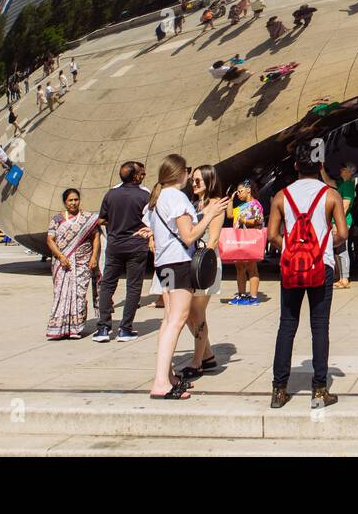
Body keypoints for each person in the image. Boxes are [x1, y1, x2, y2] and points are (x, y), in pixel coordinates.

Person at [266, 149, 348, 409]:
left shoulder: (281, 196)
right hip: (320, 267)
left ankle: (279, 390)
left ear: (295, 165)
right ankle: (320, 390)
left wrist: (290, 249)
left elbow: (271, 236)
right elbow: (342, 234)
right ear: (320, 164)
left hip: (291, 267)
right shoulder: (330, 195)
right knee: (319, 326)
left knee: (287, 325)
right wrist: (321, 247)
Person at [142, 153, 227, 400]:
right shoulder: (177, 197)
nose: (190, 176)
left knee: (168, 319)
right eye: (188, 171)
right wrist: (209, 215)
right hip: (179, 263)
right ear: (180, 173)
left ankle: (166, 376)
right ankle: (161, 383)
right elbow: (189, 236)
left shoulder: (158, 198)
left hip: (163, 264)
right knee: (177, 321)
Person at [93, 161, 151, 342]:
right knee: (133, 287)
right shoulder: (145, 195)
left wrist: (116, 224)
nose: (144, 174)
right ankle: (125, 329)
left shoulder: (111, 194)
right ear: (135, 176)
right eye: (141, 172)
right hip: (136, 246)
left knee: (108, 285)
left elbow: (101, 220)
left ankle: (103, 328)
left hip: (115, 245)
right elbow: (151, 221)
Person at [180, 164, 226, 381]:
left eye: (199, 180)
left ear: (210, 181)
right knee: (188, 312)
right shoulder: (195, 202)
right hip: (193, 261)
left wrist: (200, 262)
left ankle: (197, 361)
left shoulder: (216, 204)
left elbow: (213, 239)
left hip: (205, 264)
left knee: (197, 314)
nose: (194, 183)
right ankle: (207, 355)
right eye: (193, 180)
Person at [45, 188, 101, 340]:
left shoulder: (87, 218)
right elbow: (50, 240)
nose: (73, 203)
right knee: (61, 294)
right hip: (62, 263)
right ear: (65, 202)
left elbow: (96, 236)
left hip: (83, 262)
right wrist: (61, 256)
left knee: (79, 294)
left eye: (76, 199)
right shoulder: (57, 219)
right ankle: (59, 327)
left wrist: (94, 257)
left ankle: (76, 328)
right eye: (70, 200)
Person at [320, 162, 357, 290]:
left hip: (342, 221)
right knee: (339, 249)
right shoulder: (343, 183)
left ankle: (344, 278)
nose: (340, 170)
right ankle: (341, 277)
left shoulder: (347, 185)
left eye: (344, 168)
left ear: (350, 171)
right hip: (341, 221)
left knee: (342, 249)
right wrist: (322, 168)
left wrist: (336, 222)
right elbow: (328, 181)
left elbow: (345, 205)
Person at [228, 180, 265, 305]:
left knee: (251, 267)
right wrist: (230, 200)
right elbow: (229, 215)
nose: (238, 194)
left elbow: (258, 221)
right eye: (237, 192)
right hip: (240, 239)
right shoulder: (240, 207)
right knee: (239, 267)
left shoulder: (255, 204)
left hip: (250, 240)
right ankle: (241, 294)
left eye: (240, 191)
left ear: (248, 189)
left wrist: (244, 220)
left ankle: (253, 297)